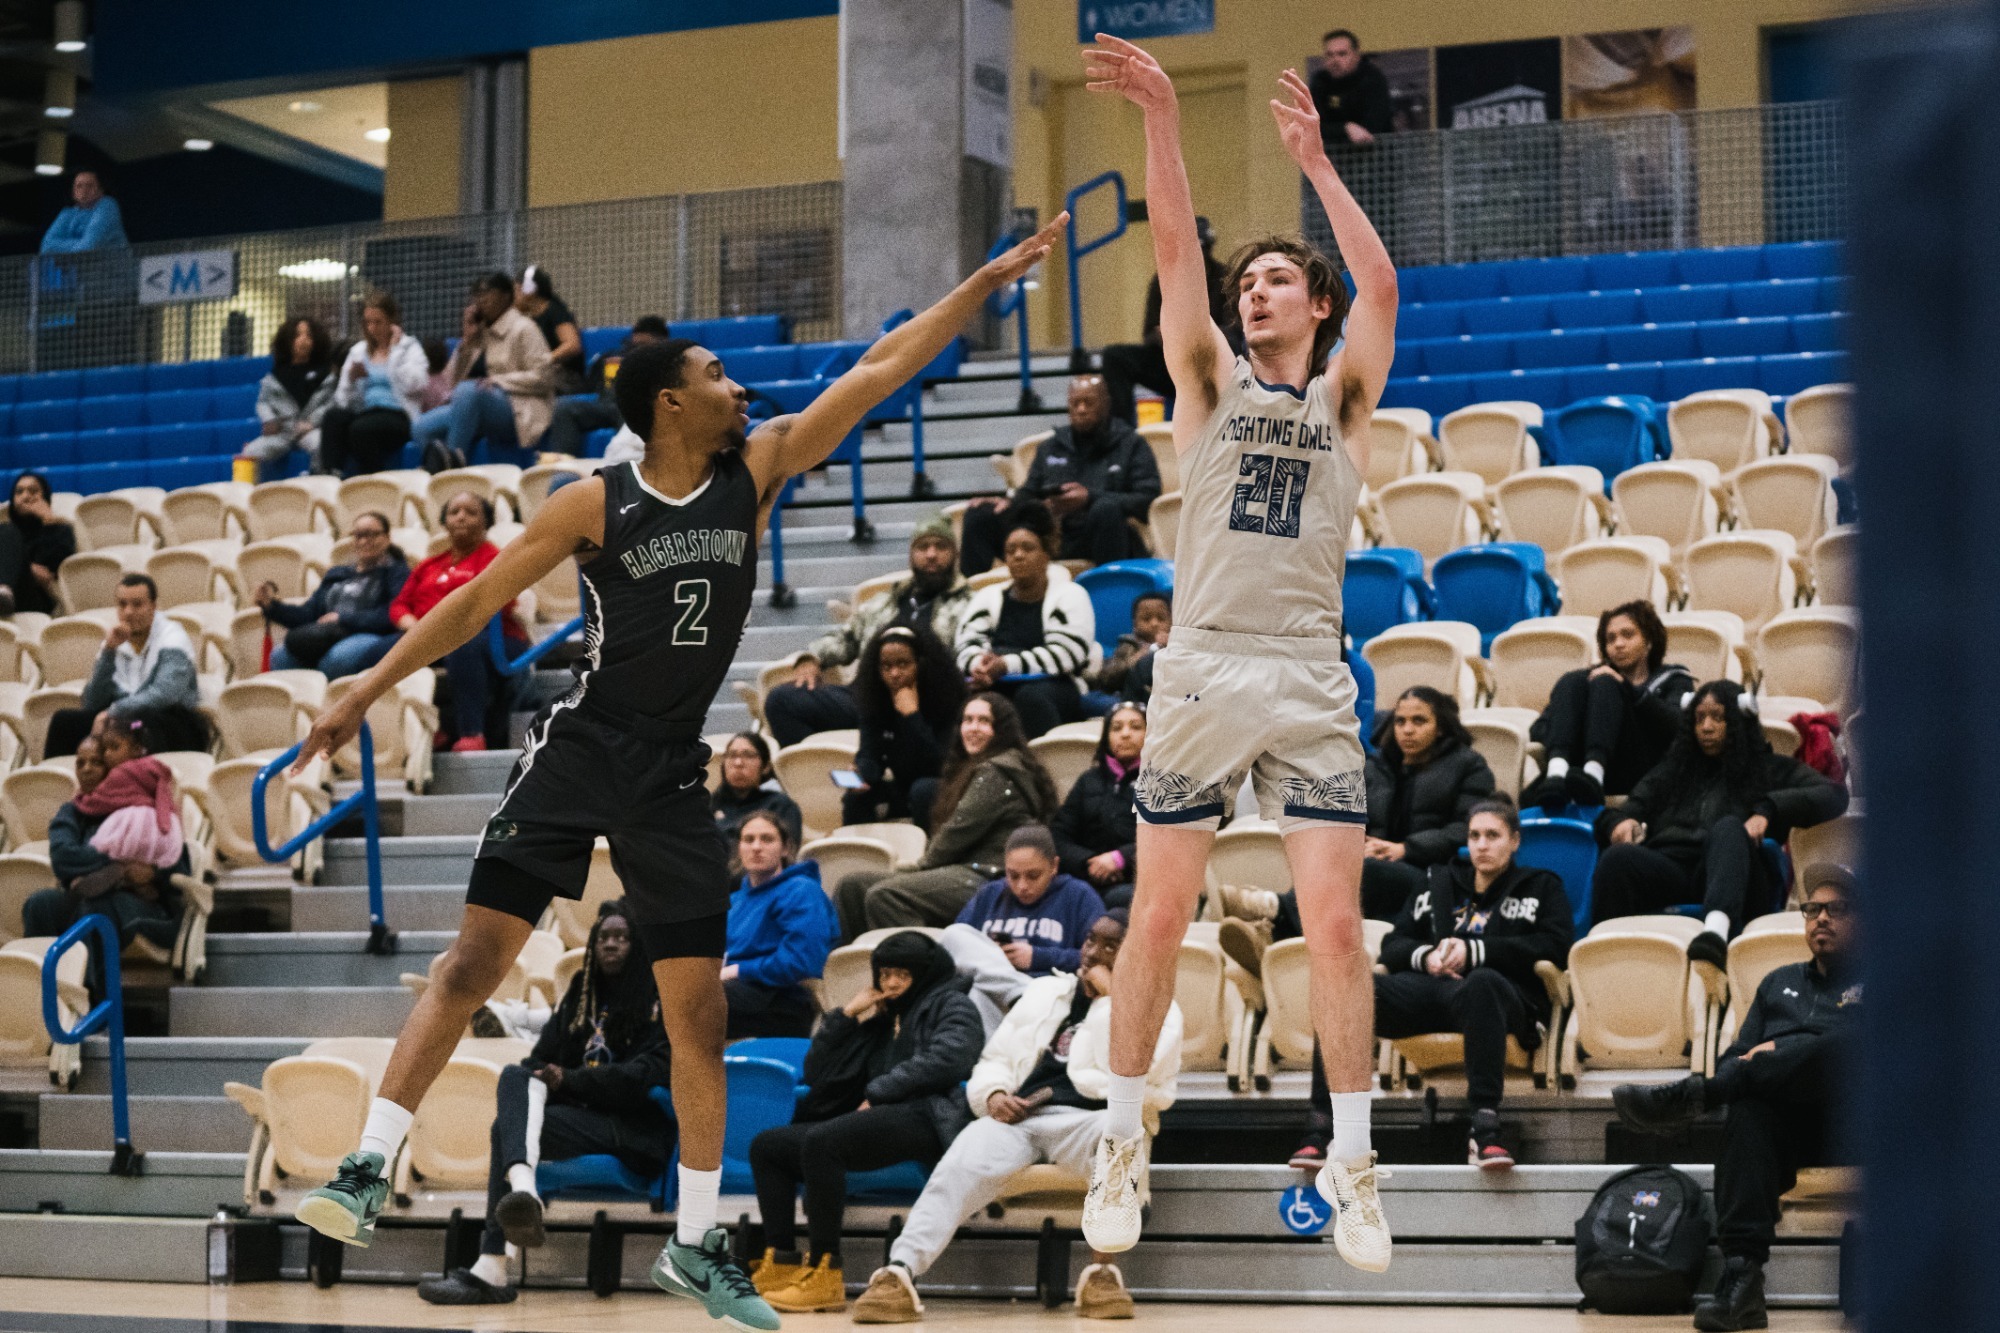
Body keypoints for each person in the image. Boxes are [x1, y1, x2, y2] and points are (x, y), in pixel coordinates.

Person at [282, 216, 1065, 1331]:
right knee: (471, 962)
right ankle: (368, 1161)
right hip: (581, 748)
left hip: (665, 775)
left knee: (695, 1017)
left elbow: (881, 368)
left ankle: (699, 1243)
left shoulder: (760, 467)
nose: (735, 384)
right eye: (712, 374)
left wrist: (975, 286)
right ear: (666, 404)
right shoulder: (592, 502)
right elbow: (469, 602)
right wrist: (364, 691)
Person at [1079, 38, 1399, 1272]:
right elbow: (1169, 252)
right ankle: (1119, 1137)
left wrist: (1315, 163)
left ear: (1309, 309)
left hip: (1310, 671)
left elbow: (1379, 289)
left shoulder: (1341, 404)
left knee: (1331, 926)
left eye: (1278, 281)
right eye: (1248, 279)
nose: (1254, 290)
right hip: (1206, 662)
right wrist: (1162, 123)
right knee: (1158, 909)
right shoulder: (1205, 384)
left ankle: (1357, 1164)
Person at [850, 910, 1176, 1324]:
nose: (1093, 953)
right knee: (965, 1153)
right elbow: (996, 1058)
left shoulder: (1159, 1008)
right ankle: (898, 1273)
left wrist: (1114, 999)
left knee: (1120, 1140)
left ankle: (1103, 1275)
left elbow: (1133, 1071)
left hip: (1094, 1117)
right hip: (1022, 1117)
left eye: (1110, 947)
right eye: (1091, 941)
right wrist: (995, 1094)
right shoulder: (1045, 993)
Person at [1611, 865, 1858, 1333]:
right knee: (1747, 1108)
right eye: (1812, 909)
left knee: (1847, 1045)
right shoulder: (1777, 983)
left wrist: (1779, 1052)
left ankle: (1696, 1097)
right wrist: (1756, 1064)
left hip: (1859, 1124)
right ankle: (1743, 1280)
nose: (1821, 917)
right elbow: (1737, 1057)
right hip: (1790, 1129)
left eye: (1837, 909)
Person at [418, 902, 669, 1305]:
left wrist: (570, 1080)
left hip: (631, 1128)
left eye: (621, 938)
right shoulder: (582, 996)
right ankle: (522, 1192)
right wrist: (550, 1077)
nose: (611, 945)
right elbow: (541, 1058)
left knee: (507, 1129)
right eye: (603, 937)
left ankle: (494, 1262)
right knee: (517, 1078)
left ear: (636, 946)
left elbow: (641, 1078)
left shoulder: (658, 1002)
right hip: (582, 1118)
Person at [747, 931, 984, 1314]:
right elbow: (817, 1071)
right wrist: (845, 1015)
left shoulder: (953, 1004)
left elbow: (951, 1058)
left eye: (902, 974)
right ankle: (782, 1262)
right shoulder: (883, 1019)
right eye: (885, 972)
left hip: (929, 1116)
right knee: (768, 1146)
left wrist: (879, 1091)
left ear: (923, 974)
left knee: (823, 1141)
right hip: (884, 1117)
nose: (891, 983)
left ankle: (826, 1271)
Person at [1368, 798, 1571, 1169]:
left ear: (1514, 841)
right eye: (1475, 835)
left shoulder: (1540, 886)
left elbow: (1555, 946)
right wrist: (1425, 957)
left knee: (1481, 982)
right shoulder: (1438, 882)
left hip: (1506, 1000)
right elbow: (1392, 945)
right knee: (1352, 992)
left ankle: (1484, 1131)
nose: (1481, 844)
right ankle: (1324, 1131)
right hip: (1436, 993)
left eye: (1493, 835)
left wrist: (1476, 951)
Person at [1592, 681, 1849, 967]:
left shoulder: (1769, 768)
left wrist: (1769, 810)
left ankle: (1715, 933)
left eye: (1718, 717)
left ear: (1738, 720)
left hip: (1739, 875)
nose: (1706, 727)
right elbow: (1628, 807)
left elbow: (1835, 794)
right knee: (1618, 858)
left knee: (1728, 828)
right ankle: (1607, 958)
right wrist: (1620, 821)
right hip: (1674, 869)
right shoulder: (1674, 770)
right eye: (1699, 718)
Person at [835, 693, 1060, 937]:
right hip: (959, 870)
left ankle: (915, 971)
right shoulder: (971, 768)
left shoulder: (997, 771)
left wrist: (918, 869)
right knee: (852, 886)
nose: (973, 728)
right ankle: (852, 971)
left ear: (1002, 730)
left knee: (888, 896)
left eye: (983, 721)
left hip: (987, 877)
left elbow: (957, 833)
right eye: (968, 720)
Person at [764, 518, 972, 747]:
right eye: (923, 547)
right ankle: (823, 776)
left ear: (956, 554)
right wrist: (812, 658)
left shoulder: (971, 604)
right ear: (911, 555)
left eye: (941, 547)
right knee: (781, 701)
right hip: (866, 697)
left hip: (925, 703)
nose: (931, 555)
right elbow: (846, 638)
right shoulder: (883, 602)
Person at [21, 732, 190, 988]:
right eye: (80, 763)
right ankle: (41, 996)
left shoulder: (145, 805)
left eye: (96, 762)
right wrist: (122, 866)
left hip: (147, 909)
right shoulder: (72, 811)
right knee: (39, 904)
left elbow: (179, 867)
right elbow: (64, 859)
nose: (87, 769)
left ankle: (94, 1008)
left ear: (112, 767)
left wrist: (152, 874)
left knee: (95, 910)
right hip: (88, 897)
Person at [958, 377, 1162, 574]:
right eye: (1075, 403)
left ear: (1106, 404)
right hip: (1049, 535)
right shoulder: (1051, 446)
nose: (1081, 409)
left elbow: (1146, 498)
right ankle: (971, 597)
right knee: (980, 515)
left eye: (1088, 402)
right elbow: (1029, 492)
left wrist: (1089, 498)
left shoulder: (1131, 444)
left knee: (1106, 509)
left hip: (1099, 535)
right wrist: (1007, 502)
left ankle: (1108, 590)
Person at [387, 492, 527, 751]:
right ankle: (426, 727)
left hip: (496, 639)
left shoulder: (495, 558)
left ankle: (472, 733)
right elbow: (399, 605)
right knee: (379, 651)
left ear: (486, 523)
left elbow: (500, 601)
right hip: (431, 638)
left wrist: (438, 628)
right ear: (444, 522)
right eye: (454, 512)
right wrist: (411, 625)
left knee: (463, 644)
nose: (461, 517)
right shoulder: (429, 564)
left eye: (471, 512)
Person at [1528, 600, 1693, 811]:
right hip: (1576, 771)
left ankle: (1593, 775)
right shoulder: (1586, 681)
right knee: (1573, 679)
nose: (1618, 644)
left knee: (1606, 683)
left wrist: (1625, 687)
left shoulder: (1674, 677)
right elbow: (1539, 729)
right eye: (1611, 638)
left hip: (1641, 769)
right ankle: (1556, 773)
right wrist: (1576, 725)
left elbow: (1676, 727)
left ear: (1649, 640)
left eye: (1628, 635)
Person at [953, 503, 1100, 739]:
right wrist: (979, 665)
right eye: (1011, 550)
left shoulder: (1070, 594)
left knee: (1029, 698)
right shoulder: (988, 597)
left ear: (1046, 553)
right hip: (995, 684)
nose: (1018, 555)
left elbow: (1068, 654)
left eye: (1027, 548)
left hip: (1056, 687)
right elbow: (964, 645)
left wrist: (1006, 665)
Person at [1358, 686, 1497, 921]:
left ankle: (1282, 908)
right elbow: (1350, 815)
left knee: (1363, 871)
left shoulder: (1469, 766)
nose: (1407, 730)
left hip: (1435, 872)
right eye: (1400, 722)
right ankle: (1281, 915)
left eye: (1419, 721)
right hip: (1373, 863)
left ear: (1440, 727)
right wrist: (1357, 843)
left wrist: (1405, 849)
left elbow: (1466, 828)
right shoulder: (1375, 765)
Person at [44, 574, 205, 759]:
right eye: (122, 604)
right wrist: (108, 653)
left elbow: (164, 694)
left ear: (153, 607)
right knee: (63, 722)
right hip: (123, 722)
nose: (128, 612)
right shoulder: (116, 640)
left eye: (137, 604)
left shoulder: (173, 637)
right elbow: (92, 702)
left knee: (139, 724)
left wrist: (114, 712)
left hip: (170, 723)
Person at [1098, 218, 1234, 426]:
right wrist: (1173, 336)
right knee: (1115, 357)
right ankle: (1123, 435)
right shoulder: (1163, 278)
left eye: (1200, 249)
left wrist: (1195, 335)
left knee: (1238, 349)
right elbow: (1151, 333)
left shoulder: (1226, 278)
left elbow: (1232, 331)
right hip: (1172, 365)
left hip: (1213, 366)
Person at [413, 273, 555, 471]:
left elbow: (544, 378)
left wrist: (499, 381)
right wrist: (468, 340)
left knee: (468, 390)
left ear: (505, 297)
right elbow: (452, 383)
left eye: (487, 293)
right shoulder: (481, 333)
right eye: (476, 295)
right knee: (421, 427)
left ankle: (453, 465)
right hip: (478, 405)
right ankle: (440, 474)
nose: (480, 300)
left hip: (520, 407)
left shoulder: (524, 328)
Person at [723, 811, 838, 1039]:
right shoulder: (735, 901)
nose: (756, 847)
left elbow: (802, 962)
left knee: (694, 1003)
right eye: (749, 840)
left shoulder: (801, 890)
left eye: (767, 839)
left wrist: (738, 969)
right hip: (739, 994)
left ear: (785, 849)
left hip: (785, 1000)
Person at [254, 512, 410, 679]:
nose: (364, 541)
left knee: (336, 660)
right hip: (328, 635)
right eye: (358, 535)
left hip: (371, 634)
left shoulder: (397, 572)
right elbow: (309, 614)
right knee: (281, 656)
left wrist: (342, 618)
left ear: (386, 537)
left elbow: (391, 614)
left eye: (371, 534)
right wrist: (271, 606)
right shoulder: (337, 574)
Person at [843, 624, 964, 827]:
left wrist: (912, 716)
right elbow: (870, 754)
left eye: (903, 664)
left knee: (923, 789)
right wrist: (863, 773)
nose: (894, 673)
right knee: (856, 798)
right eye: (886, 666)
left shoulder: (949, 702)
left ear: (922, 664)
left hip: (947, 787)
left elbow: (941, 765)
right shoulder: (876, 703)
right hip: (905, 788)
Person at [954, 825, 1106, 977]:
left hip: (1046, 987)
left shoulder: (1079, 896)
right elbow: (955, 944)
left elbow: (1100, 958)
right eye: (1013, 876)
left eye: (1033, 876)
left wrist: (1037, 957)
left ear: (1054, 866)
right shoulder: (990, 893)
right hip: (987, 981)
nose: (1022, 886)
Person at [321, 291, 429, 478]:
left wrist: (394, 352)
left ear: (391, 321)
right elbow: (343, 400)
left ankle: (376, 480)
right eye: (368, 322)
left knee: (361, 429)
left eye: (378, 322)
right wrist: (351, 380)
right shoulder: (358, 351)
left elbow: (417, 384)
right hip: (366, 413)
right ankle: (331, 475)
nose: (372, 328)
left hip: (398, 415)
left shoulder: (409, 348)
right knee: (333, 417)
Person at [1052, 702, 1145, 909]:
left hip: (1137, 880)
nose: (1125, 734)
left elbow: (1166, 838)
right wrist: (1090, 863)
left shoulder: (1163, 781)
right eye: (1116, 728)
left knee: (1120, 899)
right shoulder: (1089, 780)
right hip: (1086, 878)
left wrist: (1120, 858)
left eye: (1136, 727)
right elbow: (1059, 835)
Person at [546, 316, 669, 457]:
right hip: (606, 404)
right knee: (564, 408)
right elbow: (588, 386)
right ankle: (564, 462)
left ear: (661, 340)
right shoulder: (613, 357)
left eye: (645, 343)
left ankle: (632, 466)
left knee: (634, 419)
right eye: (636, 342)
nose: (638, 345)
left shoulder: (669, 360)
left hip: (636, 407)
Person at [243, 317, 336, 479]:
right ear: (288, 341)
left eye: (308, 336)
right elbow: (263, 402)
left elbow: (331, 403)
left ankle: (320, 487)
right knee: (248, 452)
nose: (303, 340)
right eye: (298, 336)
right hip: (282, 432)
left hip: (310, 430)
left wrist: (312, 423)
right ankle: (247, 498)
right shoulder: (276, 375)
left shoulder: (325, 373)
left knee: (322, 443)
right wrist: (269, 420)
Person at [0, 471, 75, 616]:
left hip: (36, 598)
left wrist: (48, 521)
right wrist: (29, 568)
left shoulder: (60, 529)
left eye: (33, 491)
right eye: (19, 492)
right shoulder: (4, 534)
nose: (26, 496)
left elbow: (52, 568)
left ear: (45, 497)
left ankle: (3, 593)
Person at [710, 732, 805, 848]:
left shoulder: (780, 806)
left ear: (765, 767)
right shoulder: (708, 805)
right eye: (732, 755)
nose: (738, 763)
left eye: (748, 755)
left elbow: (788, 853)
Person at [1309, 30, 1394, 149]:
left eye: (1342, 54)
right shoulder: (1320, 82)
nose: (1335, 60)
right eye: (1329, 55)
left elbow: (1373, 126)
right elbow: (1313, 126)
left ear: (1356, 56)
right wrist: (1345, 128)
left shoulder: (1372, 79)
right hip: (1335, 159)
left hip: (1376, 158)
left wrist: (1340, 130)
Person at [515, 264, 586, 395]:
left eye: (517, 291)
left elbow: (573, 345)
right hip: (546, 375)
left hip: (567, 379)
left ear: (530, 290)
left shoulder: (555, 311)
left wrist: (545, 360)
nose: (514, 297)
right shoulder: (531, 320)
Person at [1088, 592, 1169, 704]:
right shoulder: (1128, 645)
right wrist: (1136, 658)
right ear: (1134, 623)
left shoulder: (1178, 645)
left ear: (1171, 621)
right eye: (1146, 618)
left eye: (1161, 618)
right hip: (1130, 699)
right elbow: (1106, 680)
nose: (1154, 623)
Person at [39, 170, 126, 254]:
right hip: (81, 267)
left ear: (100, 190)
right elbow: (46, 246)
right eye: (79, 186)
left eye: (90, 185)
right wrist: (81, 242)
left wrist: (62, 245)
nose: (84, 190)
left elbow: (90, 246)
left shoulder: (108, 205)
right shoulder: (67, 213)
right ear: (73, 193)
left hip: (114, 267)